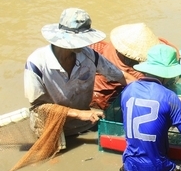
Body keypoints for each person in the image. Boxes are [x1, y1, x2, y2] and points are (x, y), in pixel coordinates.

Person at [24, 8, 137, 147]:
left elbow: (121, 76)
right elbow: (39, 107)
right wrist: (79, 114)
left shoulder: (89, 55)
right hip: (50, 127)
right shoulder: (36, 64)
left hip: (82, 123)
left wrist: (148, 91)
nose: (84, 44)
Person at [89, 23, 181, 110]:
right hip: (102, 98)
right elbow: (149, 92)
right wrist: (180, 100)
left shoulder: (114, 46)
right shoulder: (126, 70)